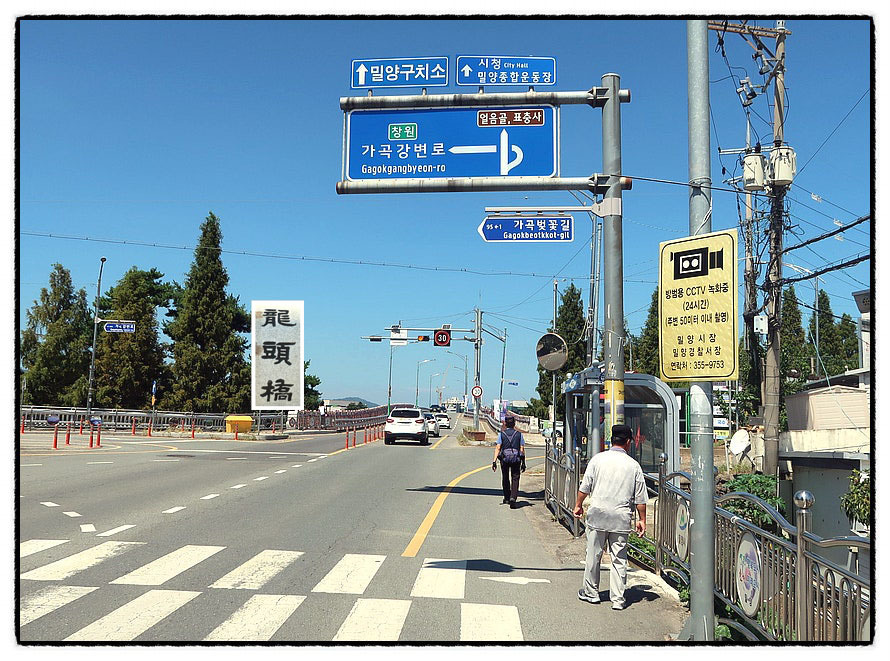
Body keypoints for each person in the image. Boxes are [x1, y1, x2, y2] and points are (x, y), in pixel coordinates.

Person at [573, 424, 647, 610]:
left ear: (612, 440)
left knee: (593, 555)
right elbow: (640, 498)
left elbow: (585, 487)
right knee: (619, 559)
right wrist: (642, 520)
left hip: (598, 514)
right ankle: (618, 599)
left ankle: (591, 593)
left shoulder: (597, 460)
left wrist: (578, 505)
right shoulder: (633, 466)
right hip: (621, 517)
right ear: (628, 442)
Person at [491, 413, 526, 508]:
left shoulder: (501, 434)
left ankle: (507, 497)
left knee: (505, 477)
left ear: (505, 424)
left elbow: (498, 447)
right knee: (515, 478)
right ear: (514, 424)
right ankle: (513, 497)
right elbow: (522, 449)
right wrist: (523, 462)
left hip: (504, 459)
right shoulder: (519, 435)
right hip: (516, 459)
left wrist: (494, 461)